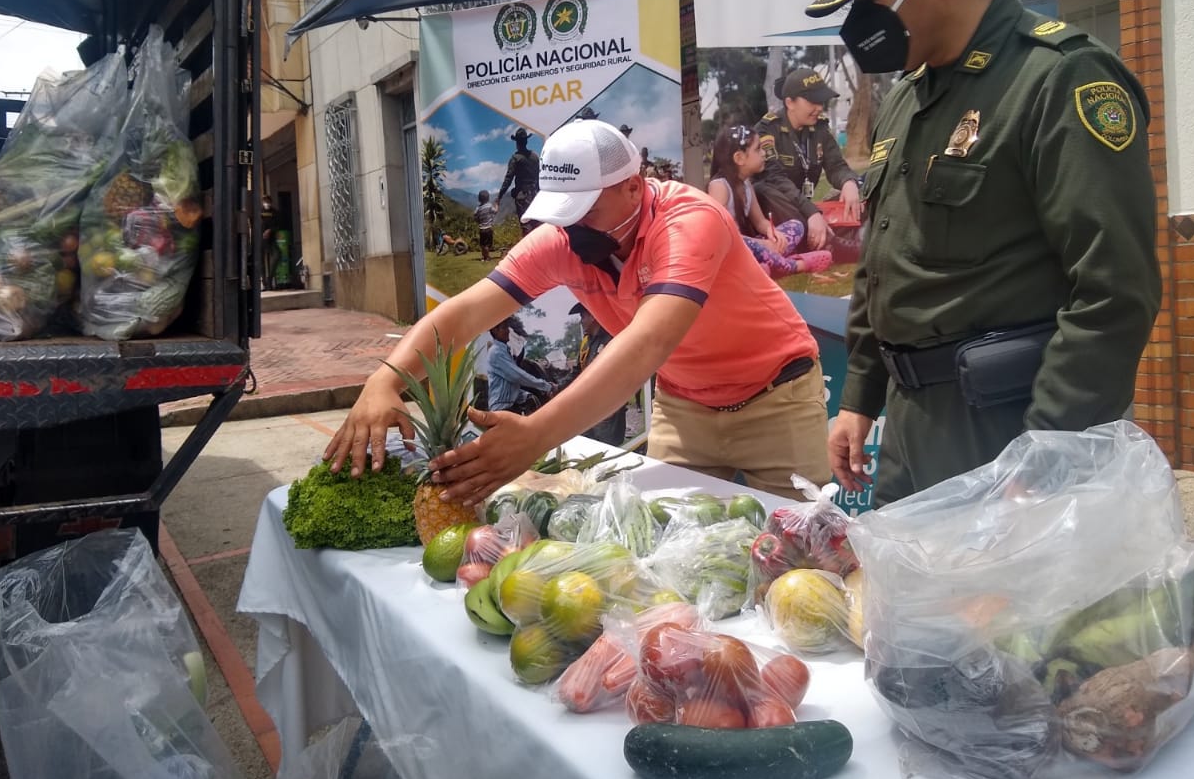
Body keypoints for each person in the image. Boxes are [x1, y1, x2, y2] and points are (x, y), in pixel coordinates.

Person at [805, 0, 1161, 504]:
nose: (862, 22)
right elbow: (882, 264)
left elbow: (1113, 290)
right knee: (899, 573)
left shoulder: (1058, 79)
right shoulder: (907, 99)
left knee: (996, 578)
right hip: (910, 427)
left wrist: (1048, 449)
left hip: (1007, 431)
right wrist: (859, 395)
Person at [324, 119, 831, 502]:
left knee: (800, 561)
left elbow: (648, 343)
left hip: (775, 400)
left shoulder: (690, 221)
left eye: (588, 209)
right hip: (687, 408)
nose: (574, 228)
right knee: (674, 552)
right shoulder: (562, 239)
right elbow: (464, 313)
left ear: (634, 186)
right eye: (564, 211)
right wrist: (385, 381)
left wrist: (536, 435)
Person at [752, 67, 863, 259]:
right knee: (765, 189)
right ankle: (831, 243)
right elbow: (775, 179)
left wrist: (849, 182)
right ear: (790, 103)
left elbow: (836, 165)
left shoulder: (819, 128)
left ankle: (827, 237)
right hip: (778, 210)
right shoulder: (767, 130)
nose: (819, 107)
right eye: (813, 101)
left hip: (805, 209)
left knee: (860, 193)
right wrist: (811, 212)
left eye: (821, 101)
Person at [707, 124, 835, 280]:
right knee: (746, 244)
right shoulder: (719, 186)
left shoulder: (746, 183)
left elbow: (760, 221)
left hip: (749, 246)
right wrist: (762, 244)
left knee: (796, 226)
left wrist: (772, 233)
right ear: (739, 158)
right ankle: (795, 265)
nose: (763, 153)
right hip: (730, 249)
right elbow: (723, 235)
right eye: (758, 149)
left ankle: (763, 266)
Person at [568, 301, 627, 446]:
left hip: (609, 409)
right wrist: (557, 388)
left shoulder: (612, 338)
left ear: (593, 316)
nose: (581, 322)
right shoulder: (586, 343)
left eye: (583, 317)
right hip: (589, 407)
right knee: (589, 446)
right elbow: (577, 372)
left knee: (609, 449)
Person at [486, 318, 553, 414]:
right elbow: (518, 376)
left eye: (507, 327)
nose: (508, 331)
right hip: (502, 409)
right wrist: (546, 386)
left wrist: (526, 395)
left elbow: (509, 386)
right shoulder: (497, 352)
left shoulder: (505, 351)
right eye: (504, 328)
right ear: (495, 331)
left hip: (509, 407)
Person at [495, 128, 541, 235]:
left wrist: (499, 197)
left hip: (522, 196)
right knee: (536, 224)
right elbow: (539, 176)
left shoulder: (515, 158)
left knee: (526, 225)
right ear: (526, 141)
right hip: (535, 194)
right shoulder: (535, 157)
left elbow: (508, 179)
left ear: (517, 143)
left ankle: (528, 244)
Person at [260, 195, 277, 290]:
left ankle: (270, 277)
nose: (266, 203)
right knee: (261, 261)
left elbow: (278, 225)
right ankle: (264, 282)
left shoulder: (274, 212)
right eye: (265, 201)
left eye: (268, 201)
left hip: (271, 239)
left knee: (277, 255)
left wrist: (270, 230)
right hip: (260, 239)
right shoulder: (259, 211)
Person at [474, 189, 495, 261]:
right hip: (488, 228)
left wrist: (478, 221)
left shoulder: (478, 208)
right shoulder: (489, 206)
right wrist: (497, 205)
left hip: (481, 229)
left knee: (482, 244)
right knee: (487, 244)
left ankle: (483, 257)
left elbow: (475, 216)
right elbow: (495, 211)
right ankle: (487, 257)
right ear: (488, 198)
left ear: (479, 199)